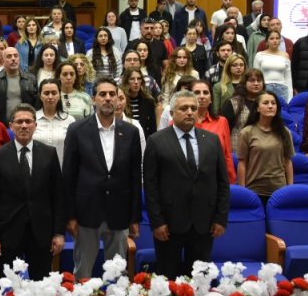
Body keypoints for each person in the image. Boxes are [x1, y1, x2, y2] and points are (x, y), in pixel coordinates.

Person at [143, 90, 230, 278]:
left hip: (204, 224)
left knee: (200, 279)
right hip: (169, 224)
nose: (190, 112)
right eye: (184, 108)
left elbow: (222, 182)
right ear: (172, 113)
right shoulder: (156, 141)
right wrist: (157, 221)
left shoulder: (212, 140)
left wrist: (220, 218)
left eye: (193, 108)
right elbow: (150, 186)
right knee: (168, 278)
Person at [62, 78, 143, 277]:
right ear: (93, 99)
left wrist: (134, 217)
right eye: (102, 94)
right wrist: (70, 215)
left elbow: (134, 178)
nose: (108, 98)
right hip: (86, 213)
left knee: (117, 275)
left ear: (118, 99)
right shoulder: (77, 130)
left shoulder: (131, 132)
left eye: (112, 94)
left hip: (119, 212)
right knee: (83, 273)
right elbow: (69, 176)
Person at [0, 104, 66, 280]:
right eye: (19, 122)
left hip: (41, 233)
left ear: (35, 126)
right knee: (5, 285)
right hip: (8, 232)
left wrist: (59, 233)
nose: (24, 126)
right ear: (11, 126)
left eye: (28, 121)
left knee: (42, 285)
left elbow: (58, 196)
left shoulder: (49, 153)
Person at [236, 93, 295, 206]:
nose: (270, 106)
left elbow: (288, 162)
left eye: (273, 103)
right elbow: (242, 163)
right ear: (257, 108)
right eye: (266, 103)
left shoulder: (285, 132)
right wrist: (243, 191)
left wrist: (290, 188)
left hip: (280, 189)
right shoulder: (246, 132)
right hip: (254, 189)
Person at [189, 79, 236, 184]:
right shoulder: (180, 123)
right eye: (196, 93)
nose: (202, 96)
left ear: (211, 99)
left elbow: (227, 155)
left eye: (205, 93)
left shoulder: (222, 122)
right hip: (188, 180)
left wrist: (230, 182)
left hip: (215, 179)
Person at [0, 47, 38, 125]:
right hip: (1, 125)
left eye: (15, 56)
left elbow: (36, 104)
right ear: (3, 61)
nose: (13, 59)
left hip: (25, 124)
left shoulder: (31, 79)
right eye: (9, 56)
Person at [34, 78, 75, 166]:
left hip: (62, 170)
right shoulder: (32, 119)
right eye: (46, 93)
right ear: (40, 96)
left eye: (54, 93)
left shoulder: (69, 120)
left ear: (59, 95)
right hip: (37, 171)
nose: (50, 97)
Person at [221, 69, 265, 148]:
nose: (256, 84)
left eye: (259, 81)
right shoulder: (233, 103)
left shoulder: (268, 102)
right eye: (252, 81)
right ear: (244, 83)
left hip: (261, 150)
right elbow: (223, 129)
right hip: (237, 150)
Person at [254, 30, 293, 102]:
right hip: (265, 88)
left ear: (280, 41)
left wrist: (290, 97)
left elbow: (288, 77)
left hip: (282, 88)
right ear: (266, 41)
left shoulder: (285, 55)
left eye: (277, 38)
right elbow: (256, 76)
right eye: (271, 38)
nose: (275, 41)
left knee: (282, 112)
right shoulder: (259, 55)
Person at [123, 70, 159, 139]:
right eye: (132, 79)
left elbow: (152, 127)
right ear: (126, 81)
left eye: (139, 79)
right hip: (126, 138)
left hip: (144, 139)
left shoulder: (148, 101)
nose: (136, 82)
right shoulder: (121, 101)